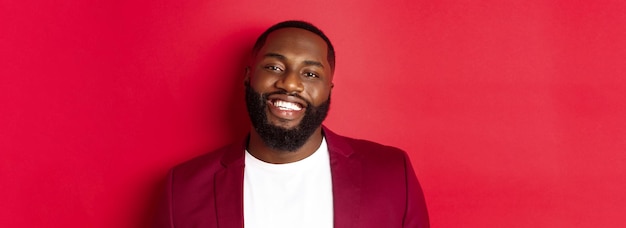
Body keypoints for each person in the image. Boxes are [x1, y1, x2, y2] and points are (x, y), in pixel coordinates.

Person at [156, 20, 429, 228]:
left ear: (328, 89)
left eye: (310, 73)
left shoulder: (392, 174)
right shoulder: (182, 188)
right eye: (274, 67)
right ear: (248, 77)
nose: (290, 83)